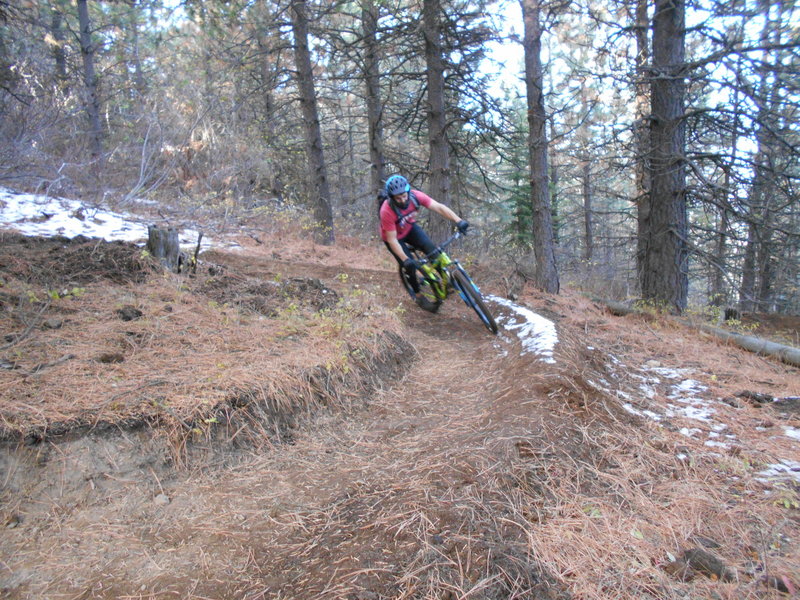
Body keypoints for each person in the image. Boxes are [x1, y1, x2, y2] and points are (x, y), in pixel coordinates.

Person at [379, 174, 469, 312]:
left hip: (409, 228)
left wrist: (458, 220)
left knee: (431, 249)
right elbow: (392, 240)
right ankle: (418, 295)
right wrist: (405, 260)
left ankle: (446, 280)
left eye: (404, 196)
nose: (403, 200)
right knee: (409, 266)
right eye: (398, 198)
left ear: (408, 191)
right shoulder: (387, 211)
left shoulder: (415, 196)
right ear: (391, 198)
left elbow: (438, 207)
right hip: (395, 238)